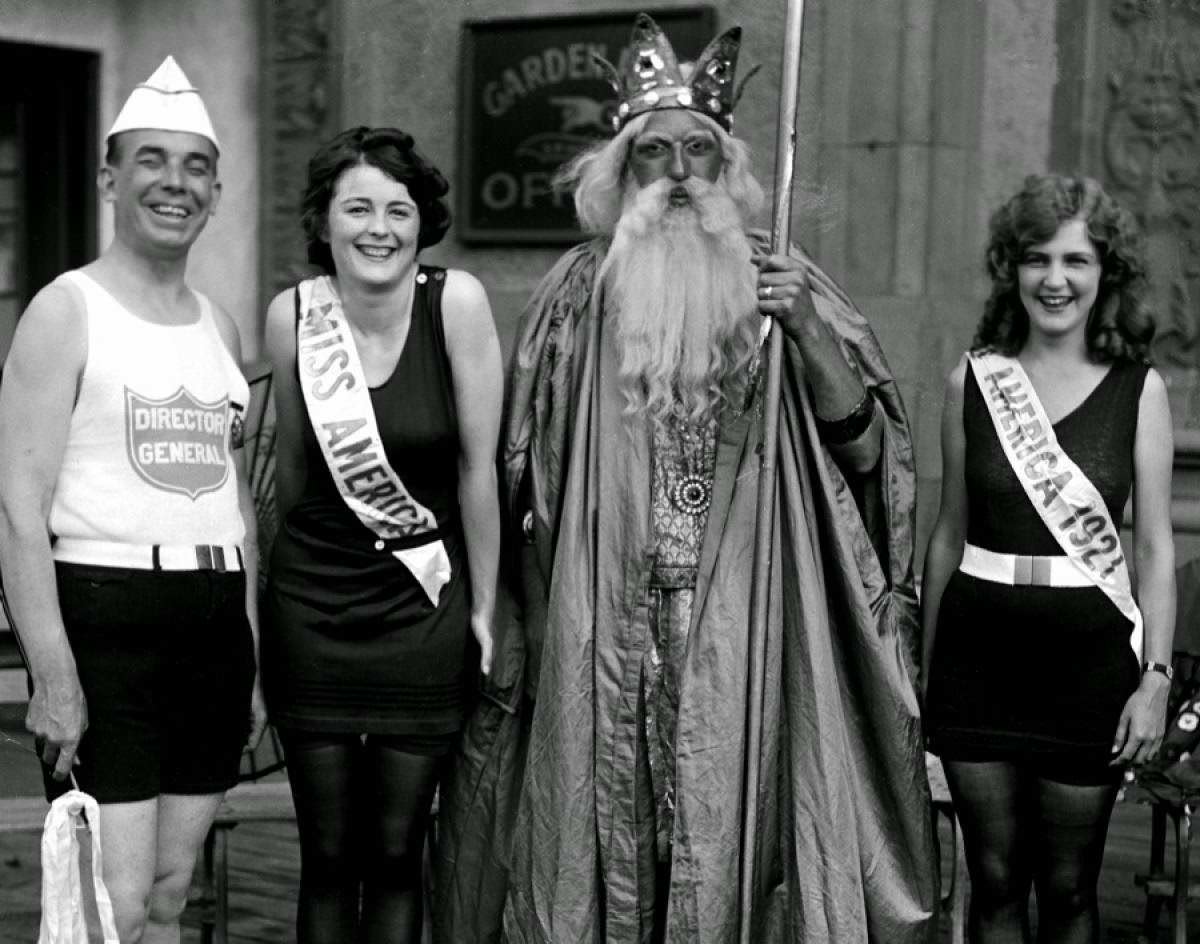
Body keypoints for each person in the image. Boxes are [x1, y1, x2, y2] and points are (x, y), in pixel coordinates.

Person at [501, 14, 936, 944]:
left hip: (749, 614)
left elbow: (866, 461)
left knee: (730, 834)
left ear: (730, 171)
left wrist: (808, 333)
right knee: (609, 837)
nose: (679, 171)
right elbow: (523, 480)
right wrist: (539, 624)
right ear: (621, 177)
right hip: (604, 617)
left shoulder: (787, 284)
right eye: (653, 153)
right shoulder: (574, 296)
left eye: (700, 150)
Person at [0, 57, 265, 942]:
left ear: (216, 193)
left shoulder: (218, 325)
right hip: (105, 616)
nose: (174, 183)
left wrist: (250, 647)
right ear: (112, 178)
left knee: (168, 890)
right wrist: (53, 672)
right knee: (107, 900)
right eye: (151, 160)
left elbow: (234, 506)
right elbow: (16, 507)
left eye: (195, 167)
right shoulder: (64, 310)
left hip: (214, 620)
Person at [261, 126, 502, 944]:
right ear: (324, 221)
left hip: (422, 610)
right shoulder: (293, 315)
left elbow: (479, 470)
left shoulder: (456, 301)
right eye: (357, 207)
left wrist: (483, 609)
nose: (379, 228)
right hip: (312, 612)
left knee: (398, 853)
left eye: (398, 210)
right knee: (326, 857)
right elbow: (291, 465)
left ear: (421, 221)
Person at [921, 173, 1175, 943]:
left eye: (1076, 261)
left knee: (1067, 888)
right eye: (1037, 259)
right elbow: (946, 533)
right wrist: (926, 673)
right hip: (977, 657)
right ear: (1014, 269)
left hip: (1087, 666)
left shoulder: (1140, 390)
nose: (1055, 280)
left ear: (1106, 275)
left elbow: (1156, 548)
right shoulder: (974, 379)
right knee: (994, 881)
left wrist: (1155, 680)